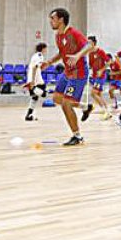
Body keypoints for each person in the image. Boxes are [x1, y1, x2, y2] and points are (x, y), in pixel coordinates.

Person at [43, 8, 93, 146]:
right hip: (67, 72)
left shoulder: (73, 33)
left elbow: (89, 45)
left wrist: (78, 55)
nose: (50, 21)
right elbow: (62, 53)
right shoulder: (58, 36)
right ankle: (85, 107)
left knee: (66, 104)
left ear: (61, 20)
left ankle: (77, 136)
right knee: (56, 98)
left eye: (53, 18)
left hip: (78, 73)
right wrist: (49, 62)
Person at [86, 41, 113, 120]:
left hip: (101, 76)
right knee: (99, 95)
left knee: (93, 93)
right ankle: (107, 111)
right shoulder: (90, 53)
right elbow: (91, 65)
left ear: (94, 43)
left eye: (89, 42)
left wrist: (101, 70)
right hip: (95, 76)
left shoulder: (100, 51)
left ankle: (106, 111)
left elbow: (109, 61)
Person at [25, 42, 47, 121]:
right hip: (36, 79)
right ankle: (33, 88)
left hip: (33, 77)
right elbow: (35, 67)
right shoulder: (40, 56)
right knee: (43, 93)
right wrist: (33, 81)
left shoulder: (35, 55)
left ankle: (29, 115)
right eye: (45, 48)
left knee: (34, 97)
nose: (46, 50)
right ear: (43, 49)